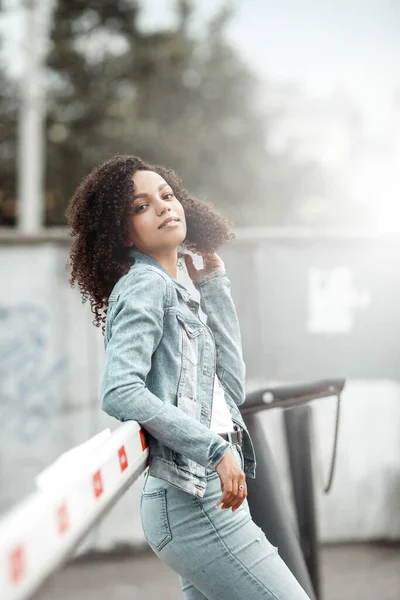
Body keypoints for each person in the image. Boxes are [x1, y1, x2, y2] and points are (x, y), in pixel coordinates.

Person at [66, 155, 310, 600]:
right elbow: (120, 389)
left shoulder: (179, 289)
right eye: (140, 206)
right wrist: (214, 449)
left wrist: (215, 285)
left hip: (208, 495)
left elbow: (230, 391)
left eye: (167, 195)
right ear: (121, 233)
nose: (163, 207)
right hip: (191, 503)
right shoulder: (147, 285)